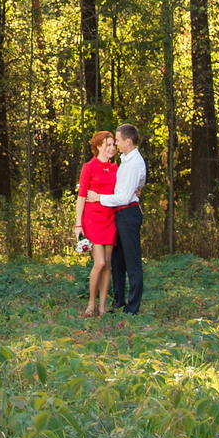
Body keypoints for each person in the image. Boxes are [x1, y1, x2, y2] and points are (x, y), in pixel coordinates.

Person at [87, 124, 148, 313]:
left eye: (118, 141)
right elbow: (135, 183)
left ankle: (132, 308)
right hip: (118, 215)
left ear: (128, 142)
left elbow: (124, 197)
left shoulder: (134, 163)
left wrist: (99, 198)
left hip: (128, 213)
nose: (116, 145)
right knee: (117, 262)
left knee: (132, 262)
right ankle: (118, 302)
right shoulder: (125, 161)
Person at [72, 130, 120, 316]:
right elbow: (81, 196)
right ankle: (91, 304)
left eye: (114, 145)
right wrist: (78, 224)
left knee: (107, 264)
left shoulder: (115, 168)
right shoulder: (89, 167)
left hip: (110, 219)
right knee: (99, 263)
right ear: (99, 146)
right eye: (108, 145)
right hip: (92, 219)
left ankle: (102, 307)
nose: (112, 148)